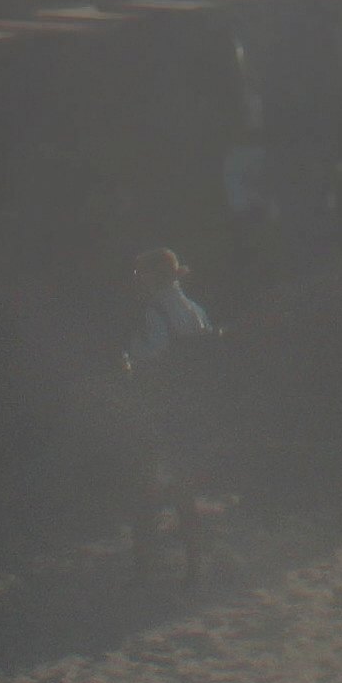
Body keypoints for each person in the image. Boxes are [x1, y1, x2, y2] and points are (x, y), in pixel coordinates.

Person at [115, 243, 218, 585]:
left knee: (144, 490)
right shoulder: (196, 311)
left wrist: (129, 369)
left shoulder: (153, 314)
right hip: (194, 412)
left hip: (161, 413)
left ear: (151, 277)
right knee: (185, 494)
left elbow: (146, 363)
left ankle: (145, 570)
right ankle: (193, 567)